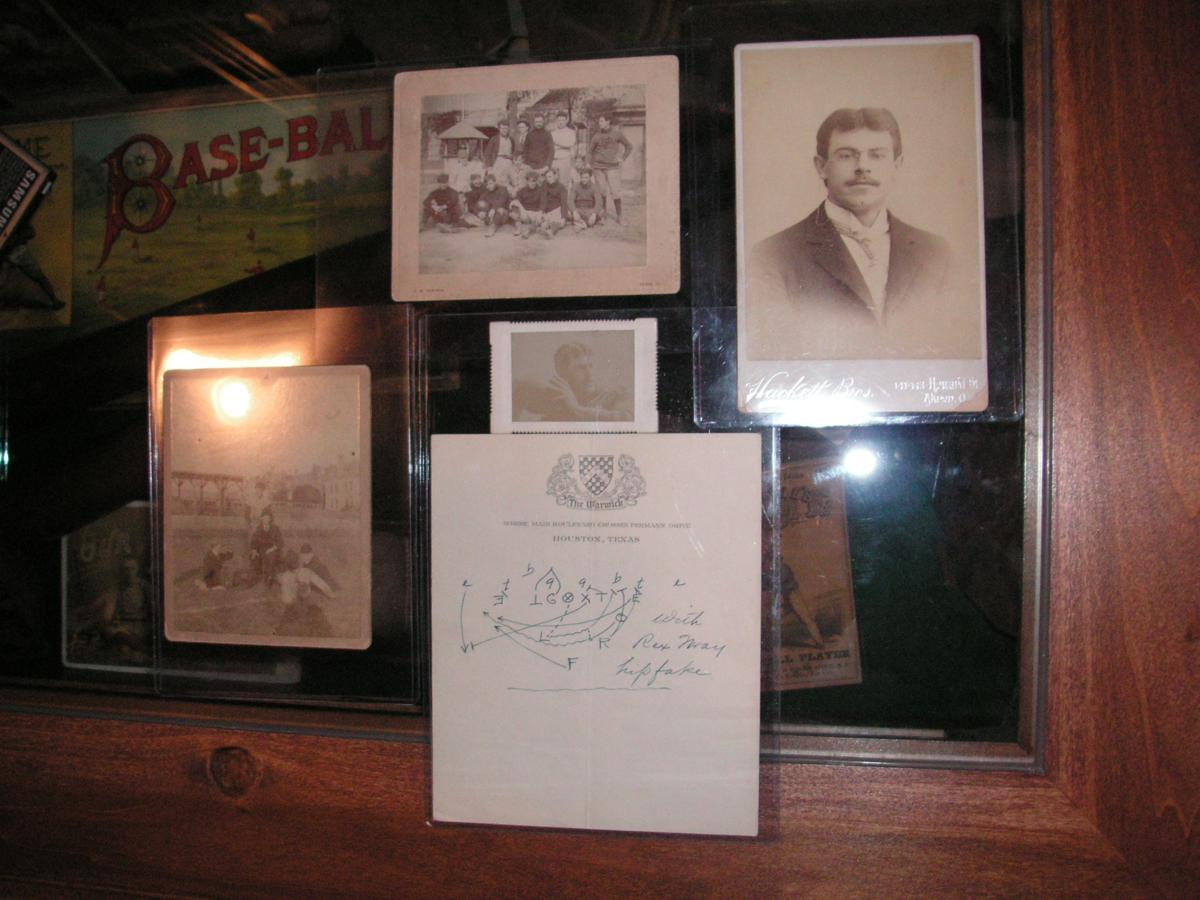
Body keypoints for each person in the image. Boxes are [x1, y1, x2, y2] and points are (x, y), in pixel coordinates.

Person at [746, 107, 974, 360]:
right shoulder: (774, 255)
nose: (863, 167)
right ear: (821, 167)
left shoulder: (937, 254)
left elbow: (955, 348)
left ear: (897, 165)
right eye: (846, 156)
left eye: (877, 155)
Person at [528, 342, 632, 422]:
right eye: (581, 368)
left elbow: (628, 420)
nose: (590, 375)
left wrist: (577, 409)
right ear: (562, 373)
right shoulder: (554, 416)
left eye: (591, 366)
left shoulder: (617, 395)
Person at [587, 113, 632, 223]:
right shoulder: (596, 136)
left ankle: (620, 216)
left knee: (615, 192)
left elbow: (629, 146)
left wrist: (622, 158)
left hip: (613, 167)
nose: (599, 123)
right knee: (602, 192)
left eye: (601, 121)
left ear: (608, 122)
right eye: (599, 121)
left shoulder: (617, 134)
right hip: (598, 168)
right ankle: (603, 215)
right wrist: (588, 163)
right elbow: (589, 151)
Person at [248, 510, 284, 587]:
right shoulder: (258, 529)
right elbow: (254, 541)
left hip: (273, 549)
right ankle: (255, 579)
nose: (266, 519)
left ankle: (270, 578)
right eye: (264, 518)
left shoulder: (275, 528)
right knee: (254, 557)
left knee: (270, 556)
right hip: (261, 549)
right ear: (261, 518)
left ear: (270, 519)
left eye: (268, 518)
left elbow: (280, 542)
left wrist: (271, 549)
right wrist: (254, 550)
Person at [510, 169, 544, 239]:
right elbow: (517, 201)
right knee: (514, 203)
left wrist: (540, 212)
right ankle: (518, 227)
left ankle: (529, 230)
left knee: (541, 219)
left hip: (535, 214)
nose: (532, 183)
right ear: (527, 181)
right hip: (525, 214)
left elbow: (543, 203)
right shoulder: (523, 190)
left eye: (534, 181)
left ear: (536, 181)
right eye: (530, 181)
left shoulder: (540, 190)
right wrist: (515, 210)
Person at [538, 167, 570, 239]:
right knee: (541, 220)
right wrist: (541, 211)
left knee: (558, 222)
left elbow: (564, 203)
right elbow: (543, 200)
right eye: (547, 177)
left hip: (557, 209)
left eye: (550, 176)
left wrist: (564, 217)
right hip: (548, 210)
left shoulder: (561, 187)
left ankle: (551, 232)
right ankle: (543, 227)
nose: (548, 179)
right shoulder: (545, 185)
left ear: (555, 176)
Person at [482, 119, 515, 187]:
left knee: (509, 180)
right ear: (499, 129)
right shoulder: (494, 139)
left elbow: (513, 151)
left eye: (506, 128)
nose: (504, 130)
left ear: (508, 129)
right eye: (502, 128)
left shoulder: (511, 139)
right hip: (498, 161)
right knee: (497, 181)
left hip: (508, 162)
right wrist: (489, 166)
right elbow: (488, 153)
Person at [476, 173, 511, 237]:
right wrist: (479, 212)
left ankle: (492, 228)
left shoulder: (503, 189)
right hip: (491, 215)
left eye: (491, 183)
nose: (489, 186)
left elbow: (501, 201)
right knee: (481, 203)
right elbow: (478, 203)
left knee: (500, 209)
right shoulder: (486, 192)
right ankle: (489, 222)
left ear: (495, 182)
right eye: (487, 184)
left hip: (504, 215)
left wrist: (493, 209)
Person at [522, 112, 555, 177]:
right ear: (534, 122)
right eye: (536, 122)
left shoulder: (547, 134)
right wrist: (527, 164)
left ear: (543, 122)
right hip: (531, 166)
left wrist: (547, 165)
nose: (538, 124)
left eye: (540, 122)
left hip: (543, 166)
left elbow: (551, 151)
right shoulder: (530, 135)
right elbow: (525, 150)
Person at [550, 112, 577, 186]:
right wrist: (563, 145)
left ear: (566, 121)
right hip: (554, 159)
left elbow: (570, 144)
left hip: (565, 159)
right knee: (553, 181)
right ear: (556, 121)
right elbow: (551, 146)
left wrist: (557, 143)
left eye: (562, 120)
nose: (560, 122)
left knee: (564, 182)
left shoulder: (571, 132)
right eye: (559, 120)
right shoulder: (553, 133)